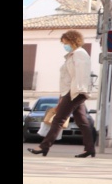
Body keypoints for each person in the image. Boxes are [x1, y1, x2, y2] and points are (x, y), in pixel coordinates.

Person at [28, 29, 97, 158]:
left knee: (58, 119)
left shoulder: (80, 54)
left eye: (65, 42)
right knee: (82, 121)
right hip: (72, 91)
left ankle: (44, 146)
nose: (64, 45)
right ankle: (89, 149)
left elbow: (80, 75)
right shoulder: (73, 55)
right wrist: (63, 95)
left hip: (75, 91)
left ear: (72, 40)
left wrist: (74, 92)